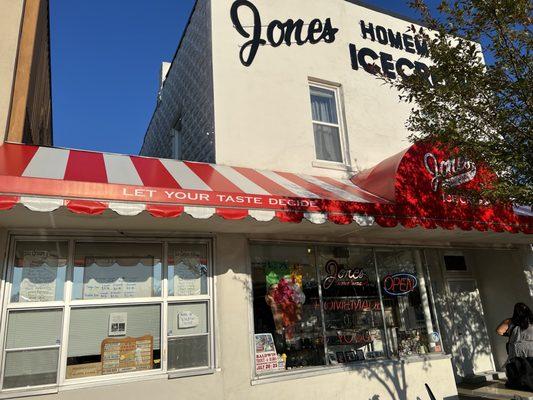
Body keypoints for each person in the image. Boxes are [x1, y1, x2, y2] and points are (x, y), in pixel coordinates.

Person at [497, 302, 533, 390]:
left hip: (516, 349)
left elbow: (499, 331)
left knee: (518, 369)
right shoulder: (532, 320)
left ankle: (521, 385)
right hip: (531, 348)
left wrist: (509, 334)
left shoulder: (510, 321)